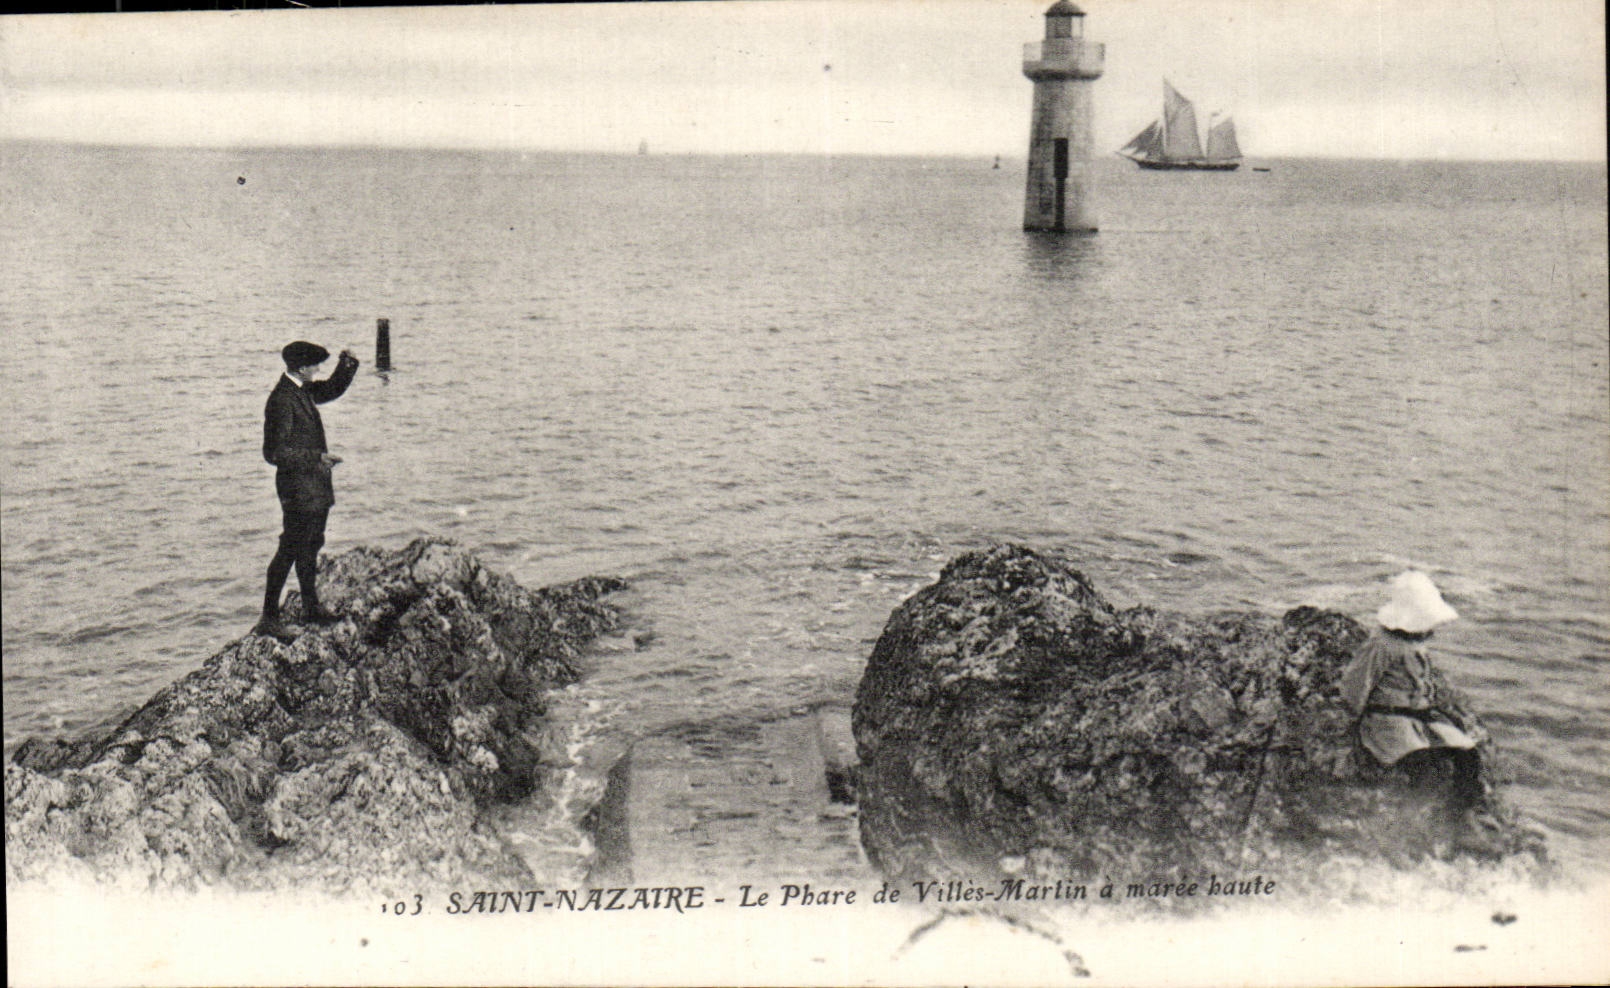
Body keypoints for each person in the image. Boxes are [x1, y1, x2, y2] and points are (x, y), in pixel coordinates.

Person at [1340, 570, 1496, 840]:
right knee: (1420, 763)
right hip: (1388, 722)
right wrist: (1352, 717)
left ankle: (1463, 815)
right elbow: (1356, 682)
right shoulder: (1383, 645)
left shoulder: (1415, 645)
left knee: (1467, 754)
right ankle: (1411, 825)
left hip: (1419, 719)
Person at [253, 340, 360, 641]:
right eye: (314, 365)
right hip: (297, 489)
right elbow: (273, 452)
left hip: (311, 487)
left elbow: (331, 389)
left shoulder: (300, 390)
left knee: (310, 545)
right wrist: (316, 458)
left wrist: (347, 364)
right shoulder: (281, 400)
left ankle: (311, 609)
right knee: (290, 548)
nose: (317, 369)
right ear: (301, 368)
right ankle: (269, 618)